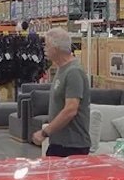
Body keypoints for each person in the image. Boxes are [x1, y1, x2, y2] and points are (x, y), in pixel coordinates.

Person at [32, 28, 91, 157]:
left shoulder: (73, 72)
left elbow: (71, 109)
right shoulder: (62, 69)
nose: (44, 49)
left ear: (56, 47)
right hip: (60, 143)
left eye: (46, 45)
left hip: (72, 146)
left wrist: (45, 132)